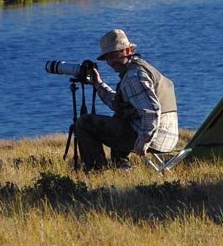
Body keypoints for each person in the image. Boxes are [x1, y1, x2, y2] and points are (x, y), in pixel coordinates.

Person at [75, 28, 178, 171]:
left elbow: (151, 112)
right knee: (120, 119)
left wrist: (143, 142)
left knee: (84, 123)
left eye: (114, 55)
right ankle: (122, 169)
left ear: (128, 50)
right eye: (107, 58)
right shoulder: (142, 68)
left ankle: (96, 172)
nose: (110, 62)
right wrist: (98, 84)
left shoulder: (132, 77)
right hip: (167, 137)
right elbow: (119, 105)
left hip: (155, 139)